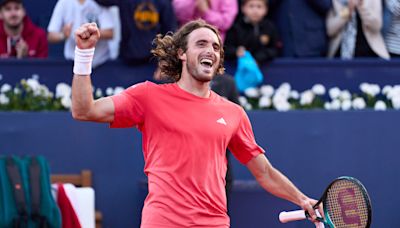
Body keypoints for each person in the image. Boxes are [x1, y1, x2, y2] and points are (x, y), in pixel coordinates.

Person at [71, 19, 322, 227]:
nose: (210, 51)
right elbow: (84, 110)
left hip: (214, 222)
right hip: (164, 221)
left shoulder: (233, 113)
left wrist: (302, 199)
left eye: (215, 47)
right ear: (182, 53)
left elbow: (264, 172)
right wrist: (84, 53)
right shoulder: (148, 96)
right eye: (201, 44)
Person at [94, 0, 177, 65]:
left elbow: (170, 33)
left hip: (153, 61)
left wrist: (165, 62)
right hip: (127, 59)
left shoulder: (163, 2)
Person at [47, 0, 114, 68]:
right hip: (73, 61)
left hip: (100, 61)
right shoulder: (64, 2)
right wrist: (63, 35)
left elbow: (110, 33)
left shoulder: (100, 1)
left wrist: (90, 32)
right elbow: (51, 36)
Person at [224, 0, 279, 65]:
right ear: (243, 8)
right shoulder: (236, 27)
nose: (255, 10)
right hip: (239, 67)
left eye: (259, 6)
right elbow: (226, 49)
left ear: (266, 9)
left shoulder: (269, 27)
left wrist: (260, 57)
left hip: (264, 67)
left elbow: (275, 49)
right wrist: (236, 51)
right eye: (251, 6)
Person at [172, 0, 238, 42]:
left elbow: (226, 22)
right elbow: (177, 13)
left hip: (213, 43)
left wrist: (206, 12)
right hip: (186, 40)